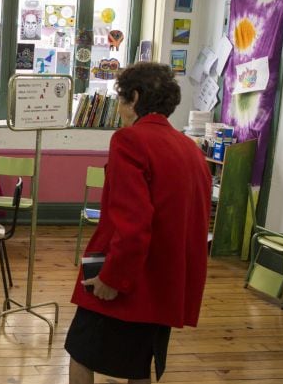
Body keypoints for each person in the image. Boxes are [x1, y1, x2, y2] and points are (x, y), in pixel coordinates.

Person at [65, 62, 211, 384]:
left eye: (120, 100)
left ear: (133, 97)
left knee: (80, 352)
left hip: (130, 277)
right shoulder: (191, 149)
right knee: (138, 365)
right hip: (166, 282)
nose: (118, 110)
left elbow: (132, 224)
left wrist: (112, 278)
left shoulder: (129, 141)